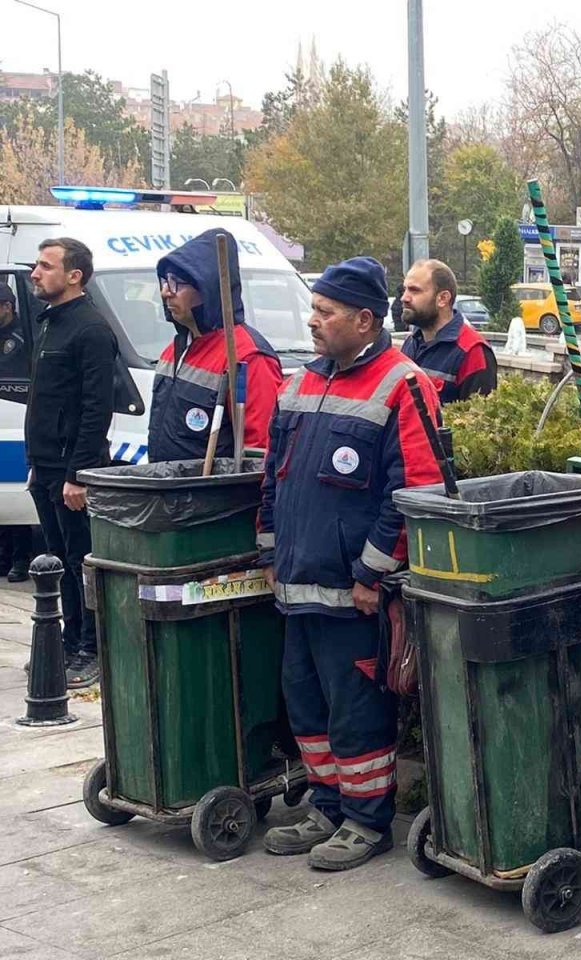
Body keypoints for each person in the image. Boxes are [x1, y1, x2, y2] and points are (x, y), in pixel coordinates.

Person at [257, 257, 443, 871]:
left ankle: (366, 821)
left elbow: (416, 489)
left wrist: (371, 574)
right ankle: (326, 804)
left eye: (325, 313)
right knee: (304, 699)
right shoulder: (300, 382)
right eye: (313, 310)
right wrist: (269, 550)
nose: (313, 322)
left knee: (356, 703)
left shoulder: (403, 384)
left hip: (354, 592)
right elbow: (272, 477)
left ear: (365, 320)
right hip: (295, 582)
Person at [26, 238, 118, 688]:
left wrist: (77, 475)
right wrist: (36, 464)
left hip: (72, 473)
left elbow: (96, 409)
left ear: (74, 275)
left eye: (45, 266)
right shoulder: (50, 323)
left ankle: (91, 648)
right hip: (44, 468)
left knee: (82, 559)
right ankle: (67, 640)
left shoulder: (91, 330)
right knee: (58, 559)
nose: (35, 273)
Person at [149, 229, 283, 463]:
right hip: (168, 493)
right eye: (164, 281)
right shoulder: (176, 348)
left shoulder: (247, 356)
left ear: (206, 288)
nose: (165, 292)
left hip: (211, 496)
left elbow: (260, 451)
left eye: (175, 283)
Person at [400, 258, 497, 404]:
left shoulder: (473, 352)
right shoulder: (410, 343)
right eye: (405, 289)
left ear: (443, 298)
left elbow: (480, 421)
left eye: (414, 290)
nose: (404, 298)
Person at [0, 285, 31, 582]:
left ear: (8, 307)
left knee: (17, 498)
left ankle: (20, 559)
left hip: (14, 413)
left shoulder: (18, 337)